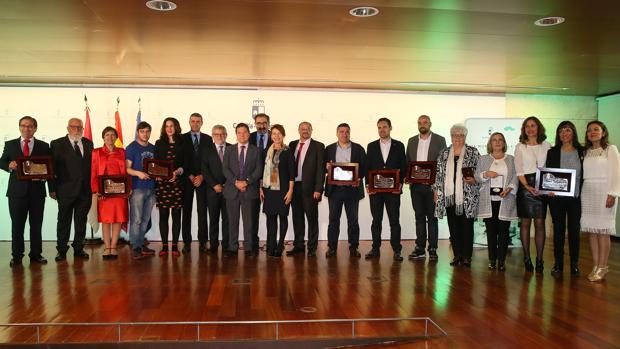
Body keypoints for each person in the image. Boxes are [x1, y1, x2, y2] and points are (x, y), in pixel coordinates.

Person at [1, 116, 51, 267]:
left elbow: (49, 167)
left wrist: (44, 177)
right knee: (17, 225)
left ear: (35, 128)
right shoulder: (10, 144)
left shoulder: (44, 146)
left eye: (30, 126)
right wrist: (9, 164)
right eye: (23, 125)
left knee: (36, 225)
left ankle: (36, 254)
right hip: (16, 193)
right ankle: (16, 256)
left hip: (37, 192)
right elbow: (1, 161)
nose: (26, 129)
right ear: (19, 127)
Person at [433, 124, 480, 267]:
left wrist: (475, 180)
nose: (457, 138)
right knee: (453, 227)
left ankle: (466, 256)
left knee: (467, 227)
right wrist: (436, 192)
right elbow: (438, 174)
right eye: (454, 135)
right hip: (449, 196)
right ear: (451, 137)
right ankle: (457, 255)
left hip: (468, 196)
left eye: (460, 135)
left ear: (465, 137)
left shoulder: (473, 152)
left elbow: (480, 171)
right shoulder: (444, 153)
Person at [49, 118, 93, 262]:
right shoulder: (56, 144)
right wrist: (52, 188)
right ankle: (61, 250)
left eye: (79, 127)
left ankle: (79, 248)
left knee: (81, 222)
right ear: (68, 128)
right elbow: (51, 169)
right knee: (63, 222)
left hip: (84, 191)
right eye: (73, 127)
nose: (77, 130)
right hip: (64, 190)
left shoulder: (88, 143)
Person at [581, 121, 620, 282]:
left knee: (603, 232)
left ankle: (603, 266)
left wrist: (612, 193)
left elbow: (617, 172)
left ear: (603, 132)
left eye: (596, 130)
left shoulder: (610, 149)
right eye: (589, 130)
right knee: (592, 231)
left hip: (605, 191)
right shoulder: (586, 151)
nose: (592, 132)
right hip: (588, 191)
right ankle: (596, 265)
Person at [545, 121, 585, 277]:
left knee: (574, 231)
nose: (564, 133)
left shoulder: (582, 151)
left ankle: (574, 264)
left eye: (567, 130)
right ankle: (558, 265)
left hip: (576, 198)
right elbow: (548, 174)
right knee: (559, 230)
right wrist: (549, 189)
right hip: (556, 198)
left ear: (573, 132)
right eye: (561, 131)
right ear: (558, 134)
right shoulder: (552, 152)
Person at [365, 117, 407, 261]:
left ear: (390, 128)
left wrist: (400, 184)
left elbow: (403, 166)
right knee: (376, 220)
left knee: (394, 221)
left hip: (393, 191)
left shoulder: (399, 145)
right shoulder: (371, 146)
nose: (382, 130)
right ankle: (375, 248)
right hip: (376, 191)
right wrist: (368, 185)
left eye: (384, 127)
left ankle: (397, 250)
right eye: (379, 127)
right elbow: (367, 167)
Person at [406, 115, 447, 261]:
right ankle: (420, 248)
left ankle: (433, 248)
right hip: (416, 187)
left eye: (425, 122)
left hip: (432, 187)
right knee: (419, 217)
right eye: (420, 122)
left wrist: (438, 188)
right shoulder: (411, 141)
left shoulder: (440, 140)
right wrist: (407, 177)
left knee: (432, 218)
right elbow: (408, 162)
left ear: (430, 124)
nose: (422, 125)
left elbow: (442, 165)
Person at [475, 132, 517, 271]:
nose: (497, 142)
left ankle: (502, 261)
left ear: (504, 143)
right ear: (490, 143)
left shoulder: (511, 159)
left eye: (500, 140)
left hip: (505, 199)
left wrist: (509, 188)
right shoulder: (483, 159)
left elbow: (515, 176)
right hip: (489, 200)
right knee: (491, 231)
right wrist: (486, 174)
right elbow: (477, 177)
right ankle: (492, 260)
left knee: (504, 231)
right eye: (494, 140)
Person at [514, 116, 551, 273]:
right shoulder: (520, 146)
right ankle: (527, 258)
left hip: (542, 186)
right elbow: (519, 170)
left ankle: (540, 259)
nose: (530, 129)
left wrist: (545, 187)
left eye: (533, 126)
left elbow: (550, 167)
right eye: (527, 126)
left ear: (538, 128)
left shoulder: (547, 145)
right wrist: (528, 186)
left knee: (540, 223)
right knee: (525, 223)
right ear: (524, 129)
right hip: (525, 187)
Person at [324, 123, 367, 258]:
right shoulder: (329, 149)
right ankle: (332, 247)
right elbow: (323, 167)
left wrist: (358, 178)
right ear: (337, 133)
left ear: (350, 133)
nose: (344, 134)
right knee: (333, 220)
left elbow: (364, 168)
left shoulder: (359, 149)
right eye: (341, 131)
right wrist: (327, 167)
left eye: (347, 131)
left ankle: (353, 247)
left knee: (353, 221)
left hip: (352, 191)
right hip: (335, 190)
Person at [223, 123, 263, 257]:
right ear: (236, 134)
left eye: (245, 132)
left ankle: (249, 248)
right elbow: (225, 169)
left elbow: (259, 170)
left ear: (248, 134)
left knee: (249, 222)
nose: (242, 135)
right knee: (232, 221)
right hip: (232, 190)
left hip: (249, 190)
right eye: (239, 133)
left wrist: (247, 181)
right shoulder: (229, 150)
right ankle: (232, 247)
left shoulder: (256, 150)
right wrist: (236, 182)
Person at [287, 121, 325, 257]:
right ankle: (298, 245)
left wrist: (318, 189)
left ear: (311, 130)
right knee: (297, 218)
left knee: (312, 219)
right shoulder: (292, 145)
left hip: (310, 189)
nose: (305, 131)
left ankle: (312, 248)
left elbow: (321, 170)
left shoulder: (319, 146)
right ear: (298, 130)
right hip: (294, 187)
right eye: (302, 129)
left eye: (307, 129)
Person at [90, 126, 128, 260]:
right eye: (107, 135)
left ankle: (114, 246)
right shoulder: (96, 152)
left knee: (118, 218)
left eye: (113, 135)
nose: (110, 137)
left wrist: (128, 189)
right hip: (103, 192)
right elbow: (94, 173)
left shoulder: (122, 152)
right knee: (106, 220)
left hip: (119, 192)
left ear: (116, 138)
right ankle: (107, 247)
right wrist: (96, 190)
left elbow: (126, 172)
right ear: (103, 137)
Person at [259, 124, 294, 257]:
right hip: (269, 190)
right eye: (273, 133)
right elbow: (262, 172)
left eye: (279, 133)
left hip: (283, 190)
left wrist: (290, 191)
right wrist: (260, 188)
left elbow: (292, 174)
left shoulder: (287, 151)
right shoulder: (266, 152)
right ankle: (271, 245)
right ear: (270, 135)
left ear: (283, 135)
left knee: (283, 217)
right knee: (270, 219)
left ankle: (280, 246)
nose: (276, 136)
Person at [181, 113, 213, 254]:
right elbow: (180, 159)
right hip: (187, 179)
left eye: (198, 121)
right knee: (186, 211)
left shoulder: (207, 139)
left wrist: (201, 176)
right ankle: (187, 242)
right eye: (193, 121)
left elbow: (210, 160)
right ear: (189, 122)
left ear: (202, 123)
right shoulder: (182, 138)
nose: (195, 123)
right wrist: (189, 175)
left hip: (202, 180)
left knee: (202, 212)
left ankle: (202, 242)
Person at [154, 118, 186, 257]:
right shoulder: (159, 143)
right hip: (162, 184)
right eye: (166, 126)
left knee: (177, 215)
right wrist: (158, 174)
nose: (169, 128)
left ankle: (174, 246)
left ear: (176, 127)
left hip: (177, 183)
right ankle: (165, 246)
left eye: (172, 126)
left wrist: (178, 172)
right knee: (163, 215)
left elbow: (186, 163)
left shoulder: (183, 143)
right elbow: (154, 163)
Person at [125, 121, 157, 259]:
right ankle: (135, 246)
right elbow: (126, 168)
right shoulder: (132, 147)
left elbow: (157, 167)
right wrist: (138, 173)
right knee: (136, 219)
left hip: (151, 188)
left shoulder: (153, 148)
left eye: (147, 131)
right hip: (137, 188)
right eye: (142, 131)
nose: (145, 134)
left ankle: (140, 242)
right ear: (138, 132)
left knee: (145, 219)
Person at [202, 125, 231, 254]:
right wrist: (214, 185)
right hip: (212, 190)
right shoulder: (206, 150)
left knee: (227, 219)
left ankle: (226, 245)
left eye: (222, 134)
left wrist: (227, 184)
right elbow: (205, 170)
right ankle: (213, 245)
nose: (219, 136)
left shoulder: (232, 148)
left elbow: (236, 168)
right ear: (212, 135)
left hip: (229, 190)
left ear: (226, 135)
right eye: (217, 134)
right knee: (213, 219)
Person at [248, 113, 273, 253]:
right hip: (252, 182)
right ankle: (252, 244)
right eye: (258, 123)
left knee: (271, 215)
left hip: (271, 183)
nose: (261, 125)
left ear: (268, 123)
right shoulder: (249, 137)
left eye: (264, 123)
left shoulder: (275, 137)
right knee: (252, 215)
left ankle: (271, 244)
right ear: (255, 123)